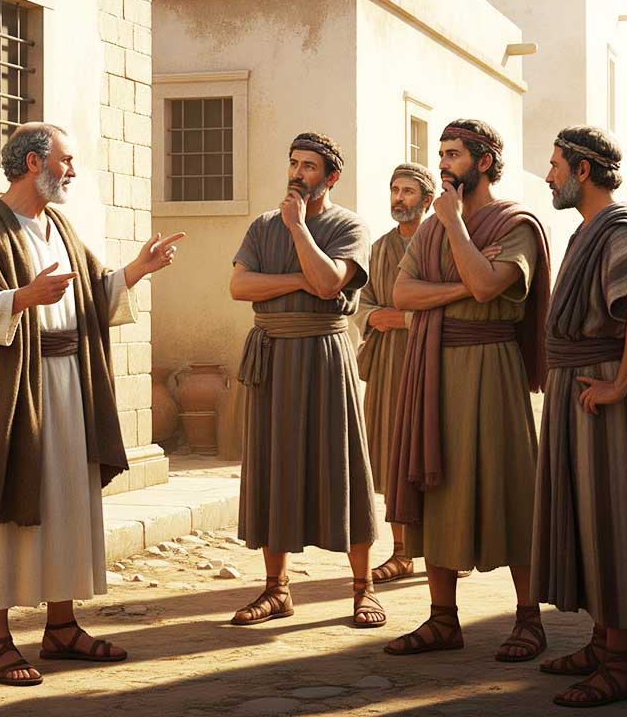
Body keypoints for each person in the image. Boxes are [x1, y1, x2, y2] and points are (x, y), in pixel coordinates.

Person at [0, 122, 183, 686]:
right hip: (12, 392)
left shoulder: (59, 225)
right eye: (66, 160)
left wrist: (137, 270)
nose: (73, 171)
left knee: (66, 502)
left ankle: (61, 628)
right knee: (2, 504)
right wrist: (21, 298)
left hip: (70, 387)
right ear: (34, 163)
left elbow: (91, 293)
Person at [531, 126, 627, 708]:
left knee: (614, 519)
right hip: (582, 393)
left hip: (605, 400)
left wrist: (619, 383)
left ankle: (620, 666)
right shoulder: (590, 229)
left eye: (555, 165)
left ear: (583, 171)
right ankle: (602, 646)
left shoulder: (620, 231)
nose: (548, 176)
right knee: (590, 519)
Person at [384, 120, 551, 662]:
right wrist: (458, 285)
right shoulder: (432, 228)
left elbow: (488, 286)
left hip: (492, 367)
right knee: (435, 486)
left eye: (453, 154)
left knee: (510, 486)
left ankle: (529, 619)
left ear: (483, 162)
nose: (443, 164)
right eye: (440, 154)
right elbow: (402, 293)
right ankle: (442, 620)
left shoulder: (516, 225)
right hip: (433, 368)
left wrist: (454, 225)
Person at [229, 132, 385, 628]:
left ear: (331, 177)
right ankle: (276, 589)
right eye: (294, 163)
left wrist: (298, 229)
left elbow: (328, 282)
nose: (297, 174)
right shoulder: (262, 226)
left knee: (342, 464)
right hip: (272, 357)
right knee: (272, 464)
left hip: (323, 358)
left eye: (309, 166)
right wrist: (297, 279)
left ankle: (363, 588)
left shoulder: (348, 226)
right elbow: (239, 285)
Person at [350, 163, 436, 585]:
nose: (399, 198)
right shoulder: (379, 248)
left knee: (433, 453)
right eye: (394, 190)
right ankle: (401, 552)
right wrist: (377, 317)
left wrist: (401, 319)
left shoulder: (442, 243)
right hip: (387, 365)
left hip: (433, 361)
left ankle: (444, 550)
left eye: (408, 191)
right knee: (389, 454)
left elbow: (450, 306)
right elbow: (361, 304)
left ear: (428, 200)